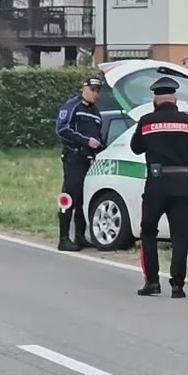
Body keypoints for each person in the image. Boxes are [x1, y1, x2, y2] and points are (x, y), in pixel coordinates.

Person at [130, 75, 188, 299]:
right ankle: (177, 286)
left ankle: (152, 282)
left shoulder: (147, 121)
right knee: (180, 236)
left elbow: (135, 148)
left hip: (156, 187)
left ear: (155, 100)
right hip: (184, 187)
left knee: (148, 232)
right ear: (175, 99)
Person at [55, 75, 104, 251]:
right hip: (73, 158)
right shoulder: (72, 106)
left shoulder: (96, 113)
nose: (95, 94)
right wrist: (85, 141)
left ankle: (80, 236)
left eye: (98, 91)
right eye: (93, 90)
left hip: (88, 161)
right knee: (69, 197)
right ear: (84, 88)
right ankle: (64, 238)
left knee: (84, 198)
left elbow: (98, 138)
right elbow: (62, 129)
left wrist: (97, 150)